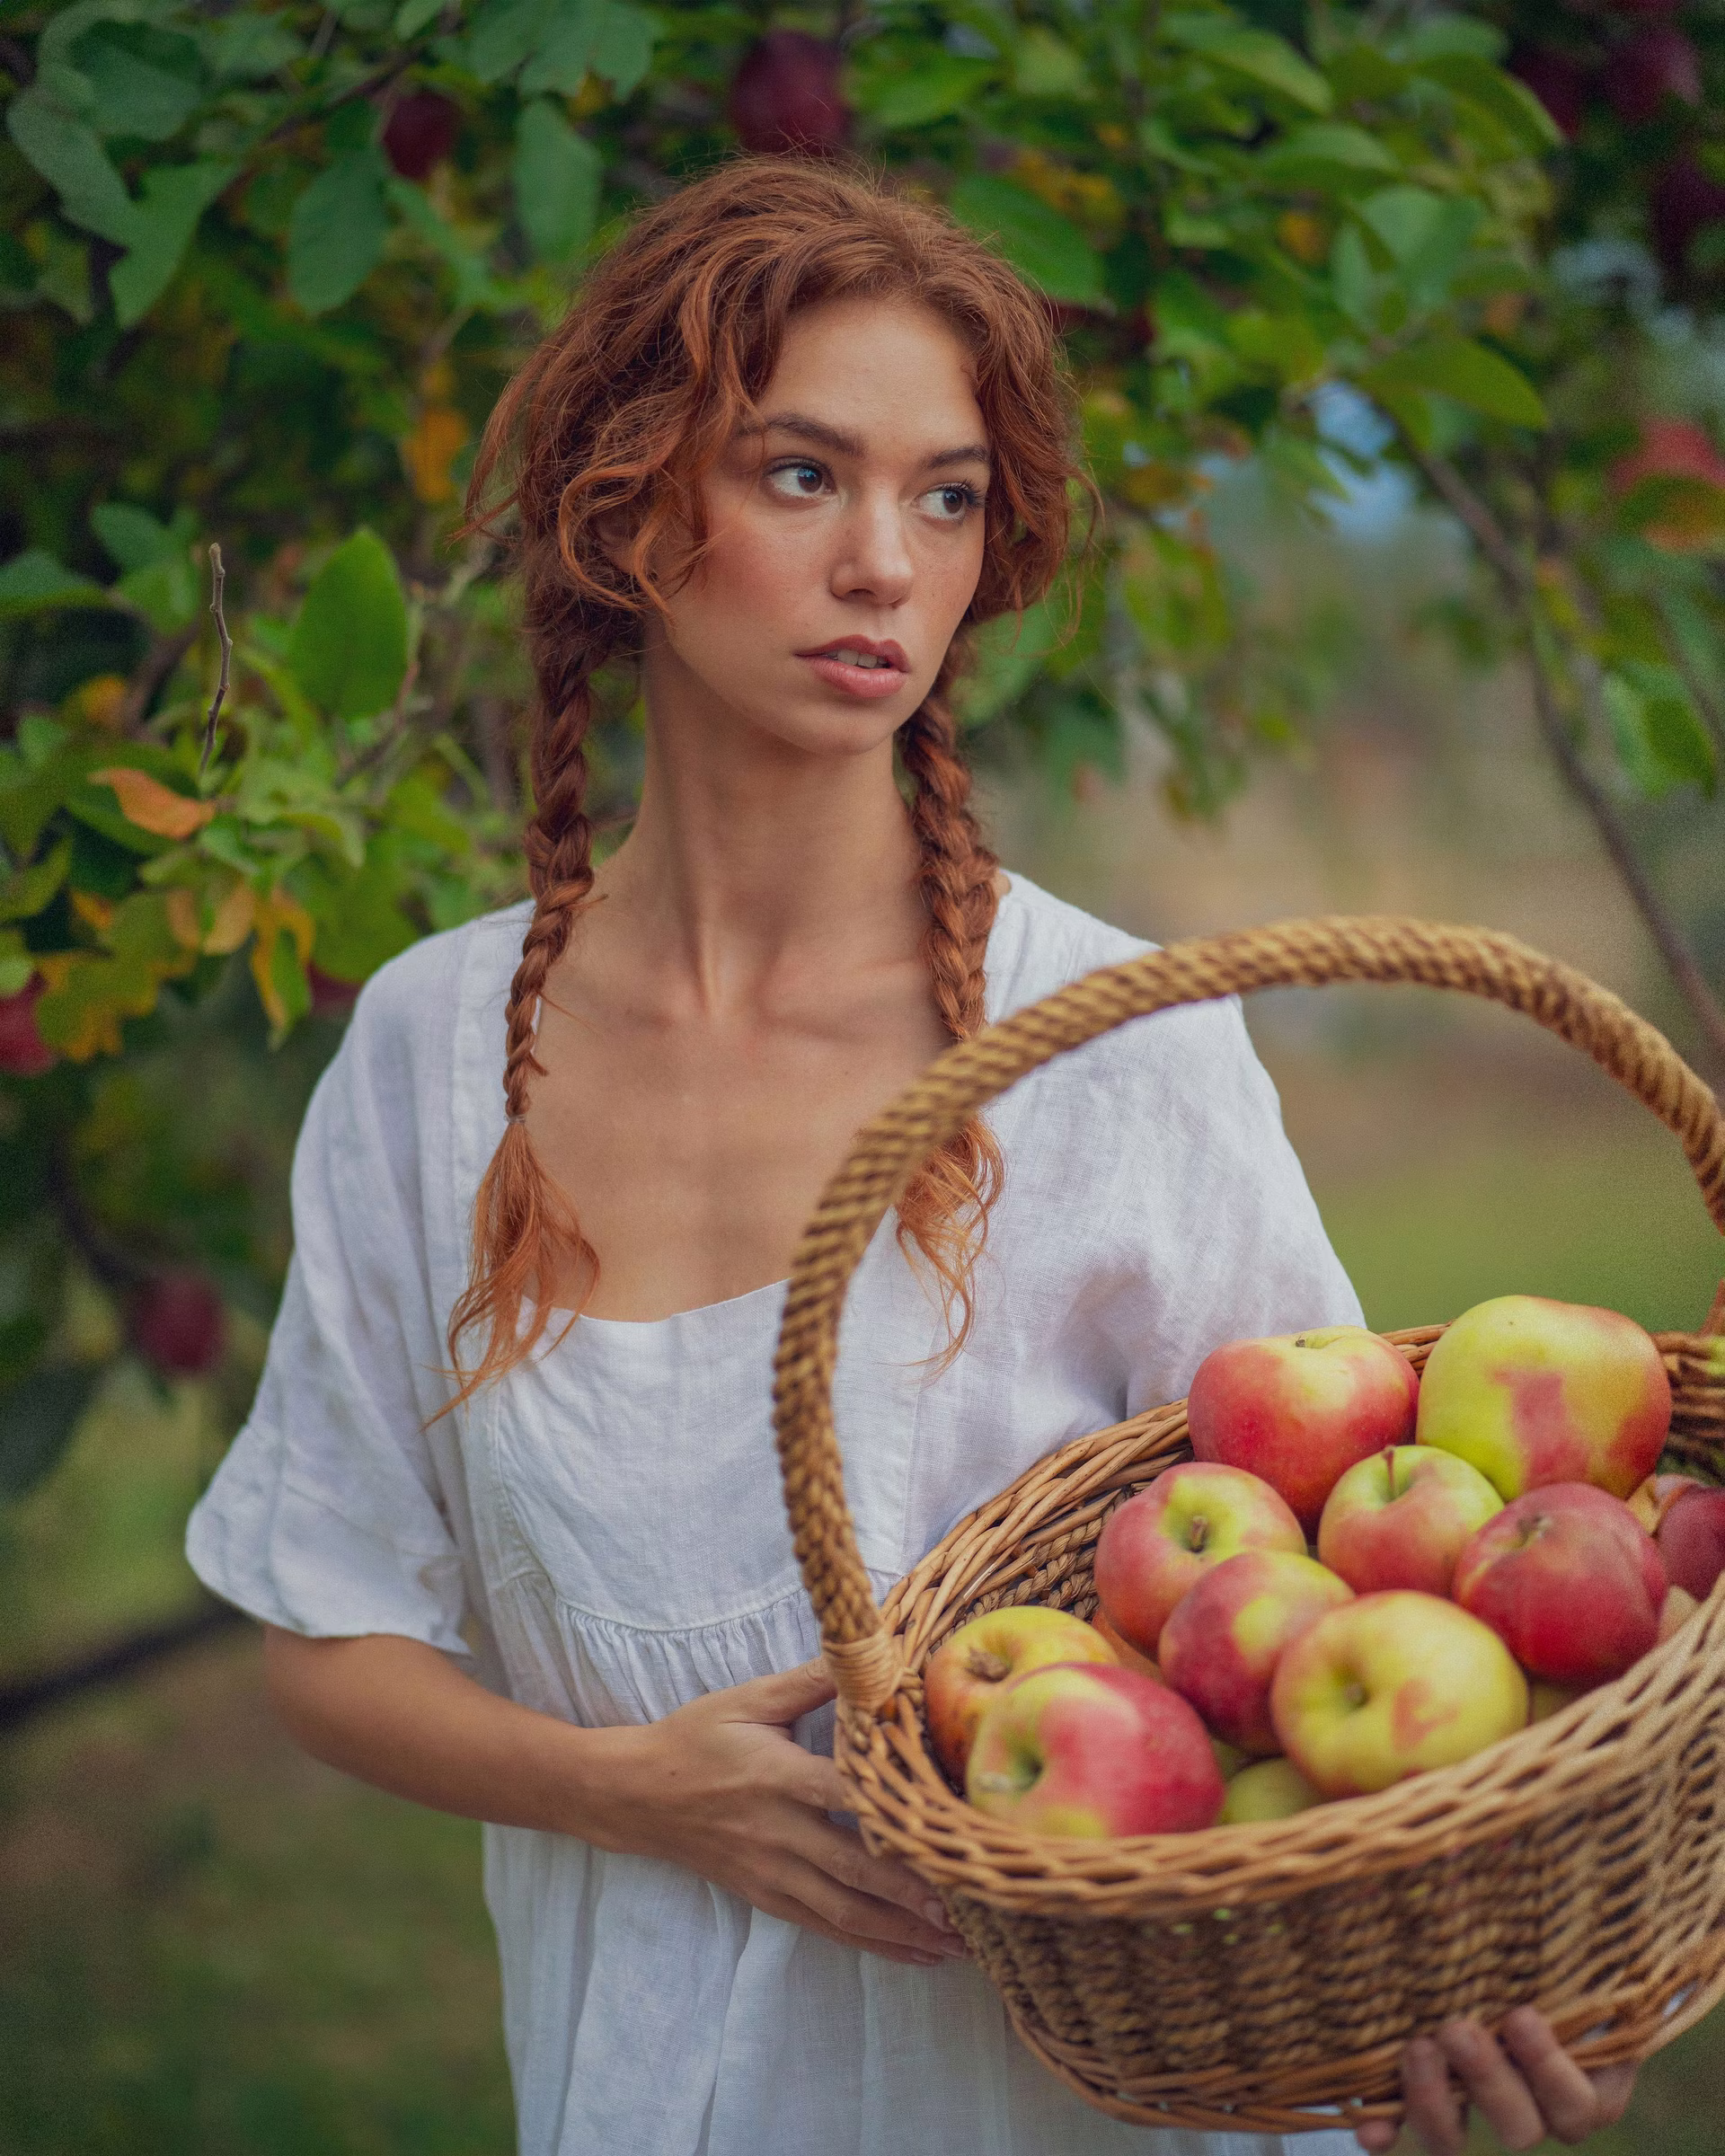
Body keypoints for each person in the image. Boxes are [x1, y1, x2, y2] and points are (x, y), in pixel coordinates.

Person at [185, 159, 1636, 2156]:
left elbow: (1369, 1593)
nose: (885, 560)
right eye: (801, 476)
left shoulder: (1109, 1045)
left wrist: (1483, 1972)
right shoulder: (435, 1054)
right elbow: (329, 1627)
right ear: (627, 506)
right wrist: (629, 1789)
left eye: (944, 495)